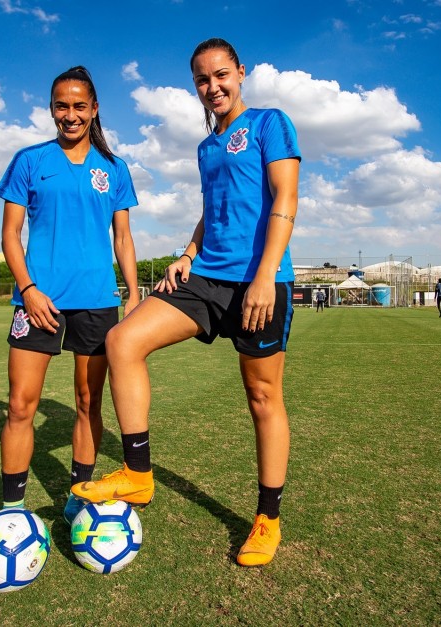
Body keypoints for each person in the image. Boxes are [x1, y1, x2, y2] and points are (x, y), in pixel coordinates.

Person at [72, 38, 300, 567]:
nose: (212, 87)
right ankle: (137, 474)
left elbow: (285, 200)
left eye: (221, 75)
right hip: (205, 277)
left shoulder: (270, 124)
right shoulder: (206, 147)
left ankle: (267, 518)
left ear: (241, 73)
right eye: (202, 79)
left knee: (263, 398)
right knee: (123, 340)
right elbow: (213, 209)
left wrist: (266, 275)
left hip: (258, 280)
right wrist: (188, 251)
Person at [0, 66, 139, 524]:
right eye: (62, 105)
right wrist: (29, 290)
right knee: (20, 405)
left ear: (94, 109)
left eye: (79, 106)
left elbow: (122, 239)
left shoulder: (114, 168)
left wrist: (133, 293)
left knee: (87, 403)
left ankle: (78, 498)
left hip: (97, 301)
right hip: (38, 302)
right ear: (51, 109)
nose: (70, 115)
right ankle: (13, 510)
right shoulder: (29, 161)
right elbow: (11, 235)